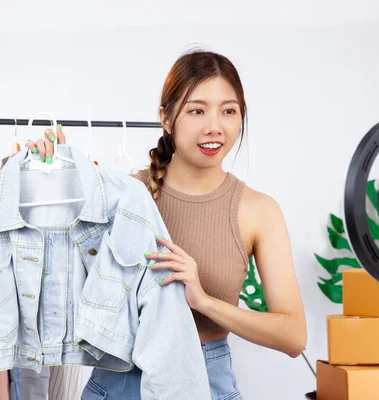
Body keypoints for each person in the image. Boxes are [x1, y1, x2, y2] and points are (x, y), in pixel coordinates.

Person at [25, 49, 307, 400]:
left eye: (229, 111)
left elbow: (293, 336)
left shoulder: (258, 211)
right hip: (121, 382)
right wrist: (58, 188)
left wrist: (203, 300)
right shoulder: (125, 195)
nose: (214, 127)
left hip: (208, 381)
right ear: (167, 118)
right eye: (197, 110)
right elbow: (65, 291)